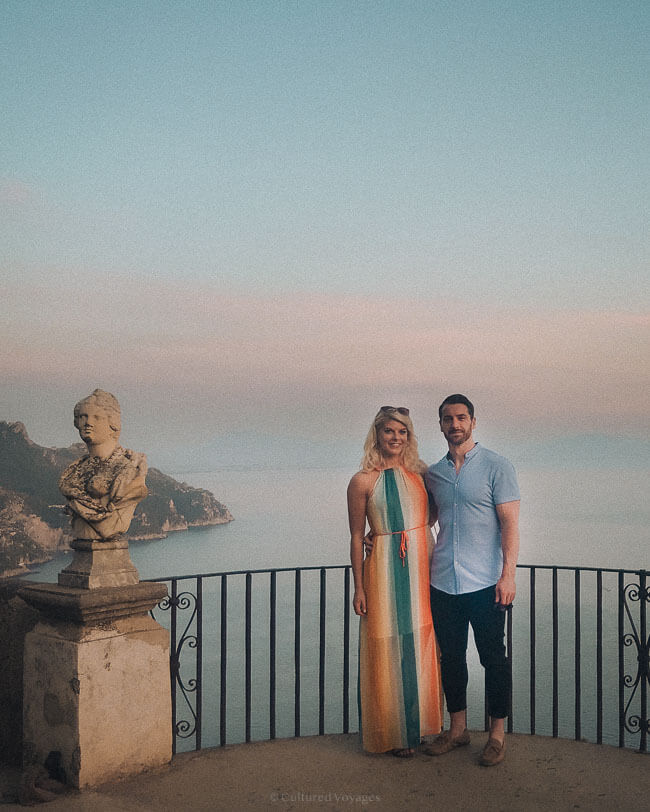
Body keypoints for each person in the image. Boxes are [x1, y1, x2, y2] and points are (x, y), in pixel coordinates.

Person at [423, 394, 520, 766]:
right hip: (444, 582)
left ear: (473, 422)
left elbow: (510, 523)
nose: (455, 424)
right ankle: (458, 729)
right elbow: (424, 520)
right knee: (451, 660)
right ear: (442, 425)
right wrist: (378, 535)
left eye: (461, 417)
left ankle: (496, 735)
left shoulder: (497, 466)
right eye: (448, 419)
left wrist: (507, 575)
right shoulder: (434, 474)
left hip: (486, 584)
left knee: (494, 659)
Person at [348, 406, 443, 756]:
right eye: (389, 431)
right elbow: (357, 536)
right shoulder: (362, 481)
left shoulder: (421, 474)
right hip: (383, 571)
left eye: (402, 432)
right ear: (377, 434)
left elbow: (434, 513)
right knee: (386, 647)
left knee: (420, 644)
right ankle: (393, 734)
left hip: (421, 568)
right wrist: (359, 587)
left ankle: (419, 728)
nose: (396, 438)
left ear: (409, 436)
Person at [59, 389, 148, 540]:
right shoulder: (74, 472)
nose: (88, 423)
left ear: (112, 423)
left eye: (97, 417)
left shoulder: (129, 470)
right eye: (83, 417)